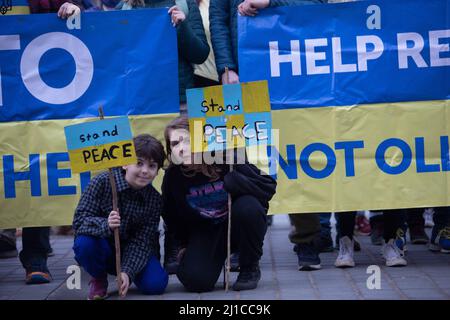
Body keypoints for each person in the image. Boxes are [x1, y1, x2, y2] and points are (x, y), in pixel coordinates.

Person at [0, 0, 80, 285]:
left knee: (36, 167)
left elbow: (65, 10)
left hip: (29, 91)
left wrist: (71, 9)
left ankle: (36, 257)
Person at [161, 116, 276, 292]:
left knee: (249, 207)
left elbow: (267, 187)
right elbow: (171, 215)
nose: (182, 148)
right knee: (196, 282)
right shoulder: (173, 177)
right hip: (205, 232)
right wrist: (184, 245)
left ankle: (249, 267)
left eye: (188, 141)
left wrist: (239, 182)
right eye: (175, 143)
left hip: (237, 226)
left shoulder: (226, 160)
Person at [72, 134, 168, 300]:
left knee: (156, 284)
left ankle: (123, 278)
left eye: (152, 166)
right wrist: (106, 224)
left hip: (132, 251)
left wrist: (127, 272)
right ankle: (98, 277)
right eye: (139, 163)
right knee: (84, 243)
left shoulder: (154, 199)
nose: (145, 171)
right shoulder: (102, 182)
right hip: (103, 248)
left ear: (157, 171)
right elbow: (79, 221)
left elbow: (143, 242)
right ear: (125, 163)